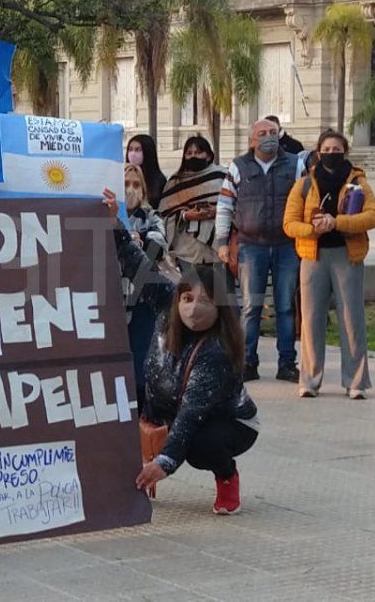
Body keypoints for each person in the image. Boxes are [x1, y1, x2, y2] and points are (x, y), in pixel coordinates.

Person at [105, 190, 258, 514]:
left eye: (204, 302)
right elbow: (138, 265)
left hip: (227, 420)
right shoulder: (166, 303)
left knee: (200, 445)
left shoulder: (216, 353)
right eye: (187, 299)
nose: (192, 308)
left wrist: (164, 462)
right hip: (168, 402)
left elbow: (191, 413)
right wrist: (113, 224)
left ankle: (227, 476)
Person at [283, 131, 375, 399]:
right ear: (318, 152)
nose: (332, 152)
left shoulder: (358, 182)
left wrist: (337, 223)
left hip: (347, 256)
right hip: (313, 257)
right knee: (311, 320)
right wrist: (313, 228)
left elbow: (374, 216)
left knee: (352, 319)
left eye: (337, 148)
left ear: (345, 151)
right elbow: (289, 223)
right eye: (327, 148)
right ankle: (309, 381)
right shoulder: (304, 184)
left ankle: (356, 382)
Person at [215, 118, 306, 383]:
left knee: (286, 306)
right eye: (263, 133)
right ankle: (247, 363)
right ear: (252, 140)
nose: (269, 137)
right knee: (251, 307)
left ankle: (287, 363)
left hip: (287, 245)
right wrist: (222, 242)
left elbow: (307, 201)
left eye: (273, 133)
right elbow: (224, 206)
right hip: (250, 246)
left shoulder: (295, 164)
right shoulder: (238, 166)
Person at [122, 163, 168, 412]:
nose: (131, 190)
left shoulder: (152, 217)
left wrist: (136, 243)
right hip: (111, 301)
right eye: (126, 184)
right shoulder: (103, 215)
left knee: (141, 363)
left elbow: (157, 248)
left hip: (141, 301)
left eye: (136, 185)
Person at [160, 136, 226, 271]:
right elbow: (164, 214)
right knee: (189, 291)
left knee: (219, 291)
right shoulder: (175, 182)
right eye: (189, 153)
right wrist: (186, 215)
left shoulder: (222, 175)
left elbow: (238, 205)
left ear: (208, 155)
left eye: (198, 152)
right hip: (187, 251)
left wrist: (216, 211)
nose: (193, 156)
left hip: (219, 249)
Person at [126, 134, 167, 209]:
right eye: (130, 149)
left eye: (138, 149)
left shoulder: (159, 180)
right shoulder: (123, 176)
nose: (133, 153)